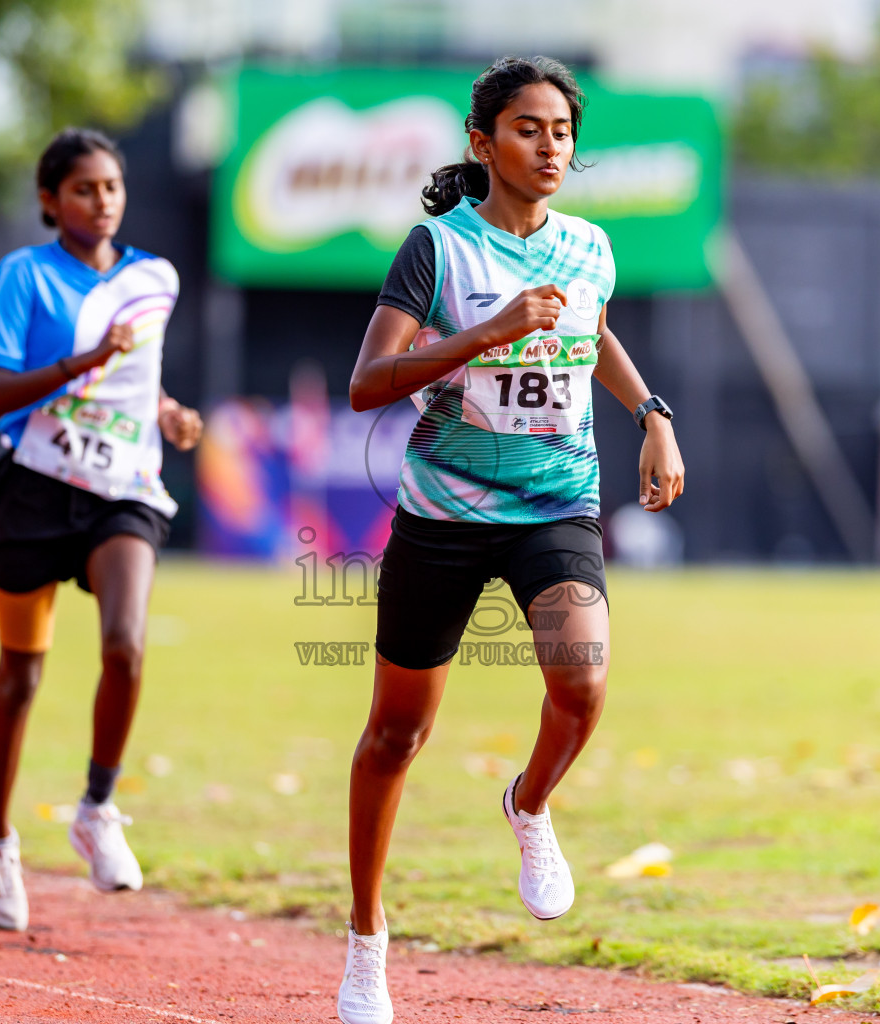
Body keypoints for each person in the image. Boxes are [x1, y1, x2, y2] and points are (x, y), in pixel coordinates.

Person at [337, 56, 685, 1023]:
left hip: (556, 503)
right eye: (529, 129)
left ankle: (529, 805)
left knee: (582, 679)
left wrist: (652, 413)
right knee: (397, 734)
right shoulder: (438, 251)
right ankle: (367, 941)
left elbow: (593, 332)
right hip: (443, 513)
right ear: (483, 145)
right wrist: (481, 335)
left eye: (563, 131)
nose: (550, 146)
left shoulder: (589, 246)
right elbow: (370, 382)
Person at [0, 127, 203, 931]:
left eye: (112, 187)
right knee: (20, 678)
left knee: (125, 644)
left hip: (122, 490)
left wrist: (167, 412)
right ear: (48, 201)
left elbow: (141, 375)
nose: (101, 201)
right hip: (33, 488)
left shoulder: (155, 280)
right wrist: (81, 363)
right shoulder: (22, 276)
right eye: (82, 189)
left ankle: (97, 808)